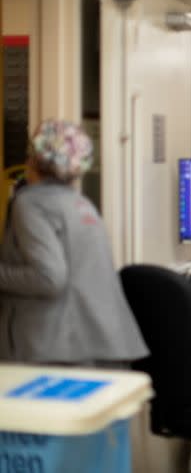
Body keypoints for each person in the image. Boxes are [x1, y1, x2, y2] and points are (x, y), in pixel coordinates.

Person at [0, 120, 148, 366]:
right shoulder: (81, 204)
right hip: (105, 348)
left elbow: (49, 278)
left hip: (56, 352)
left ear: (35, 159)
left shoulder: (31, 203)